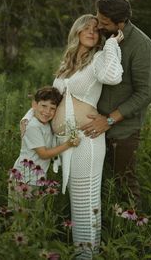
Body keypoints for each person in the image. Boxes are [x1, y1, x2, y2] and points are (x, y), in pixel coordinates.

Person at [21, 14, 124, 259]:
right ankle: (82, 254)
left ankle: (86, 256)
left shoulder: (98, 58)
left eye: (96, 30)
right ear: (76, 32)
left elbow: (113, 76)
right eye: (86, 28)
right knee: (75, 204)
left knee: (85, 203)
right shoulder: (66, 65)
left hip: (85, 140)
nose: (91, 32)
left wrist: (111, 44)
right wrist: (28, 116)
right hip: (63, 142)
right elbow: (51, 99)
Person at [81, 0, 151, 208]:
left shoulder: (141, 45)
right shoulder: (102, 38)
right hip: (94, 125)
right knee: (101, 183)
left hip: (121, 131)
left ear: (120, 23)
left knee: (125, 184)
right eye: (98, 18)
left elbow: (145, 93)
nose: (98, 25)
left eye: (104, 23)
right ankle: (104, 225)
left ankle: (136, 231)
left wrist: (109, 121)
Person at [9, 86, 80, 208]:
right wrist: (68, 144)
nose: (47, 111)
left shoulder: (45, 123)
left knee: (35, 215)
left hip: (37, 178)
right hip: (23, 178)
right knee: (19, 216)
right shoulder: (32, 126)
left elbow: (34, 111)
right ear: (35, 105)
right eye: (44, 106)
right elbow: (43, 154)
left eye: (52, 108)